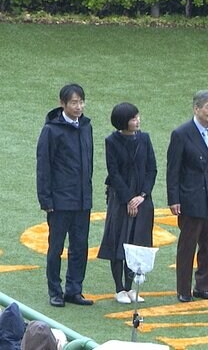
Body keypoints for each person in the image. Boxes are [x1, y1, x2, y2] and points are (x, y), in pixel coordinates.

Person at [166, 90, 208, 302]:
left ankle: (204, 287)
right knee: (187, 246)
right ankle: (183, 290)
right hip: (191, 198)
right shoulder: (181, 133)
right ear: (197, 109)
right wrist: (173, 199)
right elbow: (173, 170)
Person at [36, 84, 94, 307]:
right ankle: (55, 290)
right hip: (59, 202)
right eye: (73, 102)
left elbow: (88, 163)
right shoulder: (51, 130)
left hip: (82, 200)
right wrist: (46, 200)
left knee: (80, 247)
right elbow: (44, 166)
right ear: (63, 104)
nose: (78, 106)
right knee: (56, 247)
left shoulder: (86, 127)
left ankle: (74, 289)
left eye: (81, 102)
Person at [97, 103, 157, 304]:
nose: (137, 121)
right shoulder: (111, 141)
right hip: (120, 199)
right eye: (133, 118)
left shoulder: (145, 138)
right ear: (123, 122)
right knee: (118, 241)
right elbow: (113, 173)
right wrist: (128, 198)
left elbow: (152, 169)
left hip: (142, 199)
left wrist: (142, 195)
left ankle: (131, 287)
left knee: (136, 242)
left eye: (138, 117)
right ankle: (119, 288)